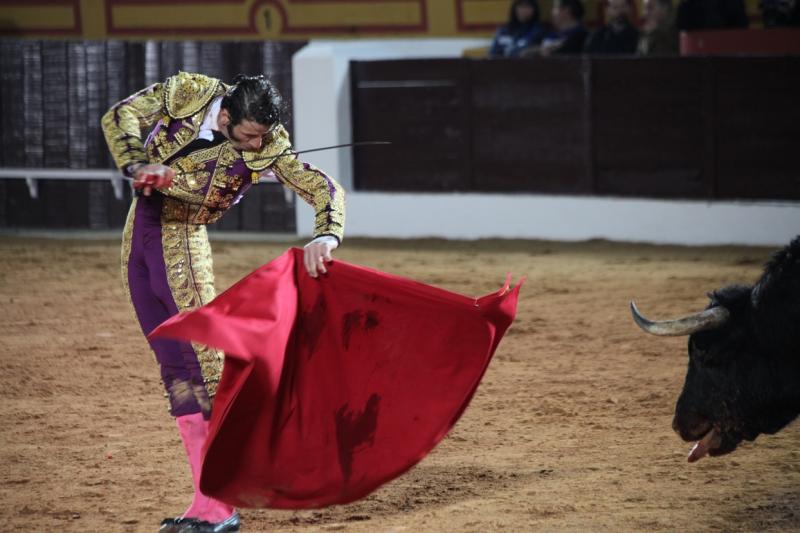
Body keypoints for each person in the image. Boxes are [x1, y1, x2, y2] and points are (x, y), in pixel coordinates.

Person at [101, 72, 345, 533]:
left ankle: (223, 500)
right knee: (174, 369)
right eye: (250, 136)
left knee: (205, 370)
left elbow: (322, 186)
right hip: (140, 235)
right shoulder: (189, 92)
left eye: (263, 137)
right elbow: (121, 115)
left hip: (183, 242)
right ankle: (204, 501)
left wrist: (327, 233)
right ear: (228, 115)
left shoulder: (272, 144)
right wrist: (136, 166)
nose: (257, 147)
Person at [524, 0, 589, 56]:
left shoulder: (582, 36)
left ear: (566, 11)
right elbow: (524, 52)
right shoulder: (550, 34)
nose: (551, 13)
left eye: (555, 8)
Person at [676, 0, 749, 31]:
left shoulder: (733, 2)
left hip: (728, 49)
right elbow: (682, 26)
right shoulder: (689, 4)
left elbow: (742, 27)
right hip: (698, 50)